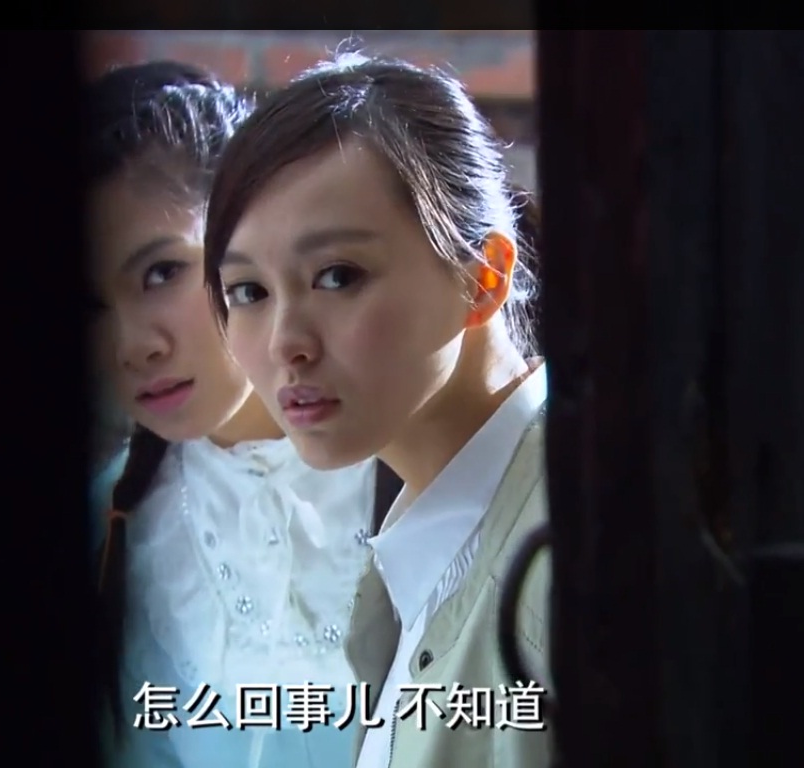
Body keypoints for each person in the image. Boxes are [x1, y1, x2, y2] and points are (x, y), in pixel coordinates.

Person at [202, 53, 552, 768]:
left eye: (337, 276)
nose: (286, 343)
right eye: (248, 292)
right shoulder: (419, 549)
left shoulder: (568, 558)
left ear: (484, 277)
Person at [87, 61, 401, 768]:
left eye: (161, 273)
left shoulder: (431, 468)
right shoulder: (107, 529)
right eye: (89, 305)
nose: (133, 345)